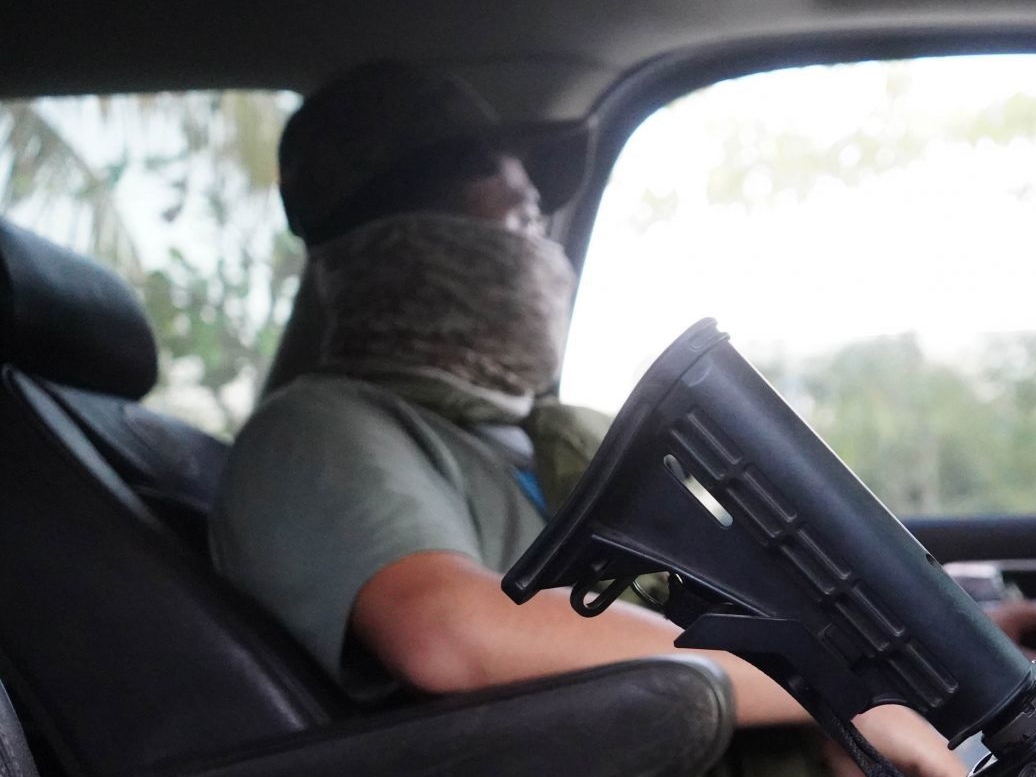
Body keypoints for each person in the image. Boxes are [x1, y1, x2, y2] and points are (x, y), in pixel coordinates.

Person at [213, 61, 989, 777]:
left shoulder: (531, 431)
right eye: (517, 222)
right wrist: (836, 694)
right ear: (400, 243)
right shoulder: (318, 431)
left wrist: (959, 632)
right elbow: (447, 630)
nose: (544, 256)